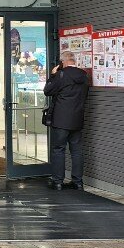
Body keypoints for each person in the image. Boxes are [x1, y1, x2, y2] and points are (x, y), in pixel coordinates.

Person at [43, 50, 90, 190]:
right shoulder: (84, 75)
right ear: (74, 61)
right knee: (77, 151)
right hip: (77, 118)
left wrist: (53, 76)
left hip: (61, 119)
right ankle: (78, 182)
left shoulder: (61, 75)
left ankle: (58, 182)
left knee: (59, 150)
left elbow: (47, 91)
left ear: (63, 62)